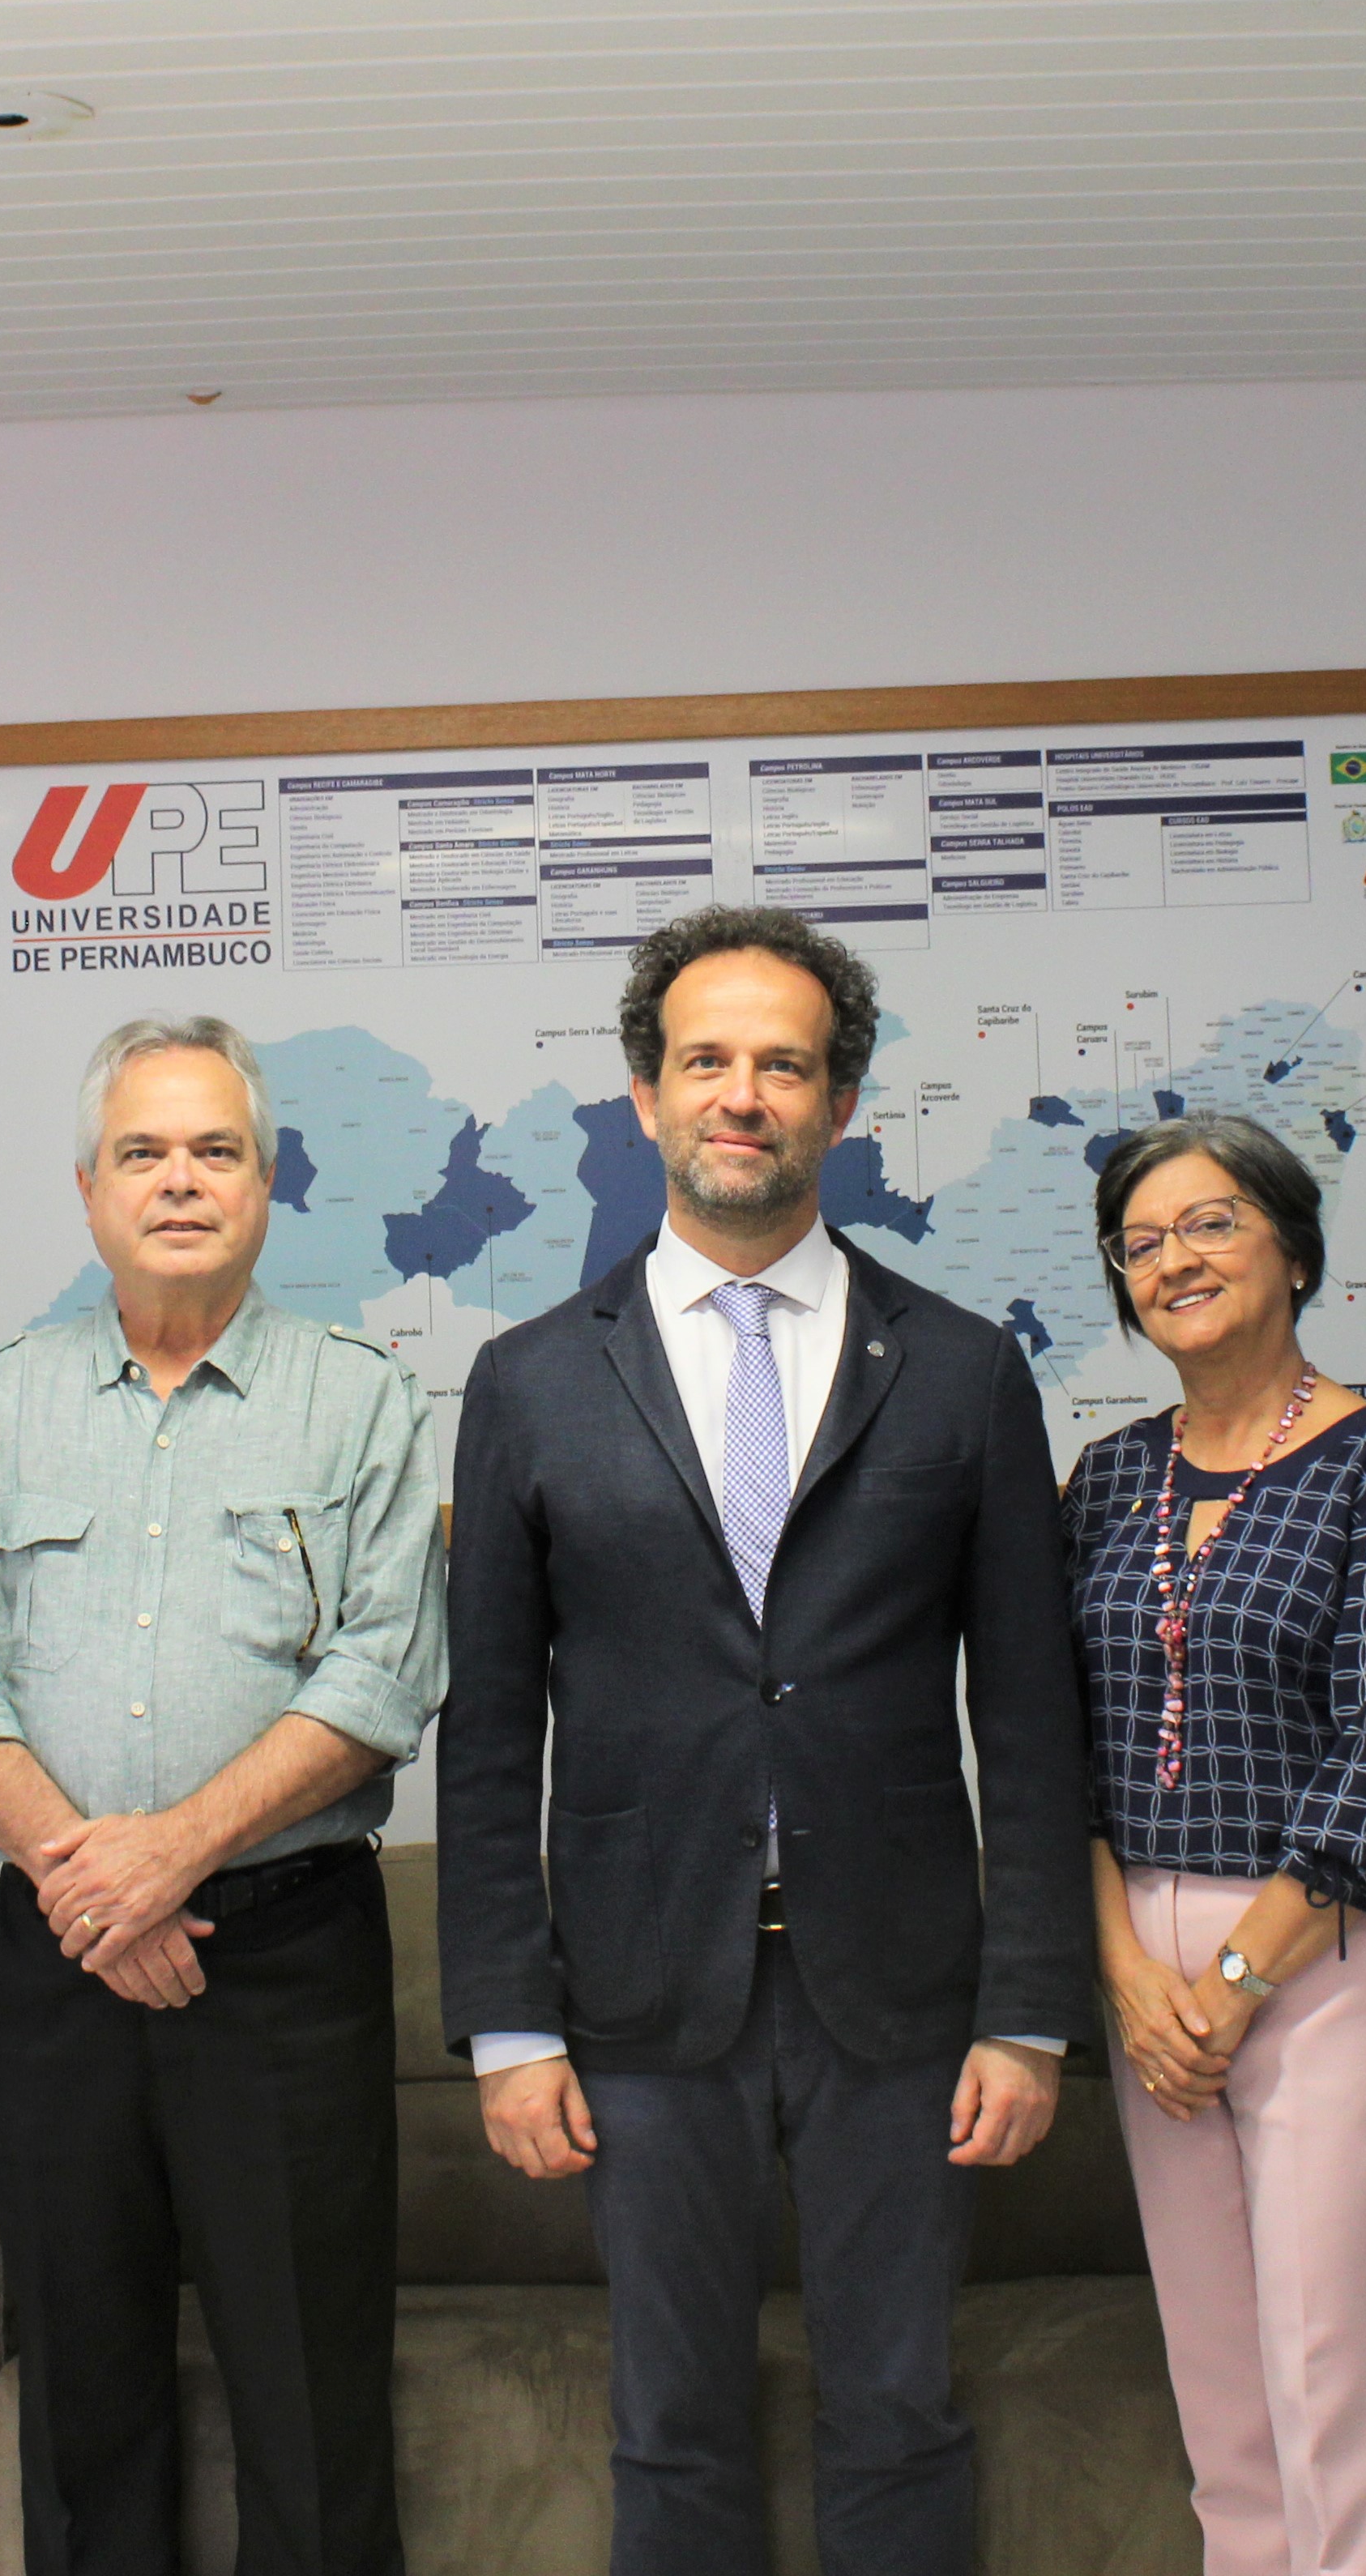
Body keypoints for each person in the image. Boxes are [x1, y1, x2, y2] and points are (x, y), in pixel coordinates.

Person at [438, 902, 1089, 2576]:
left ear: (841, 1104)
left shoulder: (961, 1372)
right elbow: (490, 1729)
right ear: (644, 1095)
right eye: (707, 1059)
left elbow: (1029, 1720)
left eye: (784, 1065)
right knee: (669, 2420)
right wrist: (508, 2022)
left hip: (904, 1995)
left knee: (901, 2411)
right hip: (640, 1990)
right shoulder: (528, 1381)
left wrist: (1028, 2011)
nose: (744, 1094)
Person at [0, 1016, 445, 2576]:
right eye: (143, 1152)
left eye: (216, 1151)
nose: (180, 1181)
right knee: (83, 2397)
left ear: (268, 1185)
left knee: (312, 2401)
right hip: (58, 1963)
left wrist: (172, 1857)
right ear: (89, 1190)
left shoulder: (361, 1404)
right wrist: (97, 1887)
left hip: (284, 1965)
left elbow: (384, 1674)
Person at [1071, 1113, 1366, 2576]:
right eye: (1142, 1243)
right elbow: (1060, 1747)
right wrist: (1127, 1975)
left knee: (1331, 2388)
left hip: (1331, 1951)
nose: (1175, 1259)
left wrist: (1235, 1983)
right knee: (1222, 2401)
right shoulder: (1105, 1479)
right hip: (1146, 1974)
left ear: (1294, 1250)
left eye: (1212, 1222)